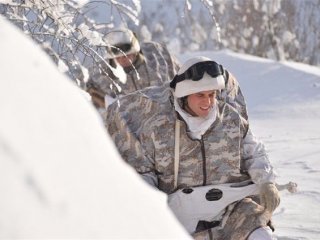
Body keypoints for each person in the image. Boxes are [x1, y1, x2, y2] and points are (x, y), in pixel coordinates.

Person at [106, 56, 281, 240]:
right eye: (200, 95)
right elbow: (143, 174)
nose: (208, 102)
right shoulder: (158, 127)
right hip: (179, 219)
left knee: (263, 236)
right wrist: (150, 211)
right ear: (185, 95)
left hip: (232, 210)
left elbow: (253, 152)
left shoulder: (231, 119)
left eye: (211, 94)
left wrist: (266, 181)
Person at [86, 28, 180, 112]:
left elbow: (179, 75)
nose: (123, 59)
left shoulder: (157, 58)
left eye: (127, 55)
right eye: (118, 57)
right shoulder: (100, 74)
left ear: (135, 51)